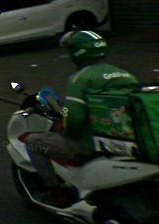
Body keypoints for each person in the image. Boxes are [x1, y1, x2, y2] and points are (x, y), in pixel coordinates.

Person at [25, 30, 139, 206]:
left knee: (33, 142)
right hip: (125, 139)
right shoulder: (125, 74)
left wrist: (64, 129)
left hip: (91, 144)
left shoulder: (81, 78)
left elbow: (74, 118)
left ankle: (54, 191)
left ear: (77, 53)